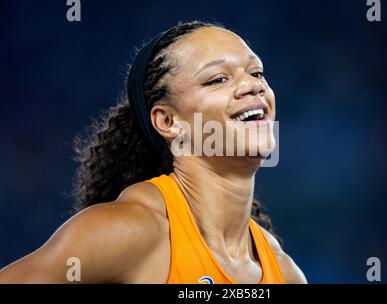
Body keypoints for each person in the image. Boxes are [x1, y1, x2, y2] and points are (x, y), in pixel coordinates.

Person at [0, 20, 306, 284]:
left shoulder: (283, 271)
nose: (253, 87)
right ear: (168, 121)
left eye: (257, 73)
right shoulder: (130, 231)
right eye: (218, 79)